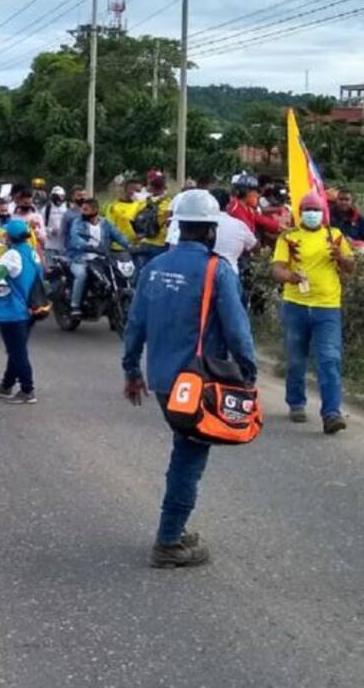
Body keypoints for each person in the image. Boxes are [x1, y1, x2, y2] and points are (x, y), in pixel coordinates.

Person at [122, 190, 257, 568]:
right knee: (189, 457)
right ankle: (168, 542)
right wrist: (248, 375)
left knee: (185, 450)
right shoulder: (217, 270)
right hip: (197, 384)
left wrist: (132, 371)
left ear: (179, 227)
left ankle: (174, 530)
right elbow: (238, 331)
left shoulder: (154, 268)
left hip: (164, 380)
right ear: (212, 231)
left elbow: (135, 326)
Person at [271, 191, 354, 433]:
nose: (311, 213)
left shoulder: (335, 236)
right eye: (307, 209)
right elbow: (277, 270)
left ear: (323, 213)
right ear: (300, 213)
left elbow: (350, 268)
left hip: (327, 307)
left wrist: (342, 258)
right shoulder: (289, 237)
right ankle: (296, 402)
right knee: (296, 357)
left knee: (329, 359)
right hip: (295, 305)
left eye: (316, 210)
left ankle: (331, 413)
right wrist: (290, 277)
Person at [0, 219, 42, 404]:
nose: (4, 236)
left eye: (6, 234)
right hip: (30, 307)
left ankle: (27, 389)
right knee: (16, 349)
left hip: (14, 309)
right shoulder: (32, 252)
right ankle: (7, 385)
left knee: (17, 351)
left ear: (11, 236)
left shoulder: (12, 255)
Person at [67, 198, 133, 317]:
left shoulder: (105, 223)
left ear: (95, 210)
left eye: (85, 210)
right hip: (81, 258)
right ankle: (75, 305)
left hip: (102, 259)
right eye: (82, 209)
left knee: (116, 275)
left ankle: (113, 310)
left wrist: (130, 246)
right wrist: (89, 246)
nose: (82, 212)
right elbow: (75, 238)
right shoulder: (78, 222)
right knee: (82, 275)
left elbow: (118, 236)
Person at [133, 173, 172, 269]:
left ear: (151, 187)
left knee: (142, 273)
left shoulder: (142, 203)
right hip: (160, 244)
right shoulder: (167, 204)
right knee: (157, 273)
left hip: (143, 242)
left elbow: (134, 218)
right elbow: (169, 223)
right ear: (164, 188)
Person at [106, 178, 143, 252]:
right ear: (128, 190)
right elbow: (108, 228)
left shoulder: (141, 205)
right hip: (120, 248)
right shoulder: (114, 207)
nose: (139, 194)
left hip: (139, 247)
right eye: (137, 191)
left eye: (140, 191)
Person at [42, 186, 71, 258]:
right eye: (57, 197)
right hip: (50, 246)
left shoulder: (68, 207)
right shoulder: (46, 209)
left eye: (62, 197)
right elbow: (41, 226)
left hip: (64, 246)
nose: (59, 201)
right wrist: (50, 230)